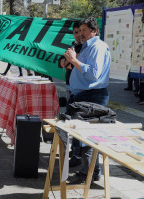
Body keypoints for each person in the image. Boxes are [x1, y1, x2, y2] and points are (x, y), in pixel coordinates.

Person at [64, 17, 111, 182]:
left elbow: (93, 74)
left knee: (86, 138)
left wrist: (74, 60)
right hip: (82, 95)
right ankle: (90, 172)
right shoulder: (85, 46)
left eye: (85, 30)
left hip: (91, 95)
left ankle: (89, 174)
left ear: (95, 31)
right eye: (80, 30)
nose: (81, 34)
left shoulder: (97, 47)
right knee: (81, 136)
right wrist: (71, 60)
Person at [59, 21, 82, 167]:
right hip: (69, 85)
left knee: (78, 121)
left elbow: (78, 67)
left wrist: (70, 62)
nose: (78, 35)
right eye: (75, 32)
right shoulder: (71, 47)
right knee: (70, 119)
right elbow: (61, 62)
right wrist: (70, 62)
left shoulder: (85, 47)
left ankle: (77, 154)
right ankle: (74, 150)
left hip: (80, 88)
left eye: (80, 31)